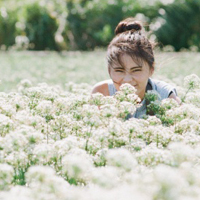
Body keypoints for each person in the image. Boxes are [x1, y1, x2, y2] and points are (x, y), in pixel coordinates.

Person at [92, 17, 181, 118]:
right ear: (109, 71)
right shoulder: (102, 93)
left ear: (151, 69)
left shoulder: (165, 95)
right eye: (119, 70)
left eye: (136, 70)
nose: (127, 80)